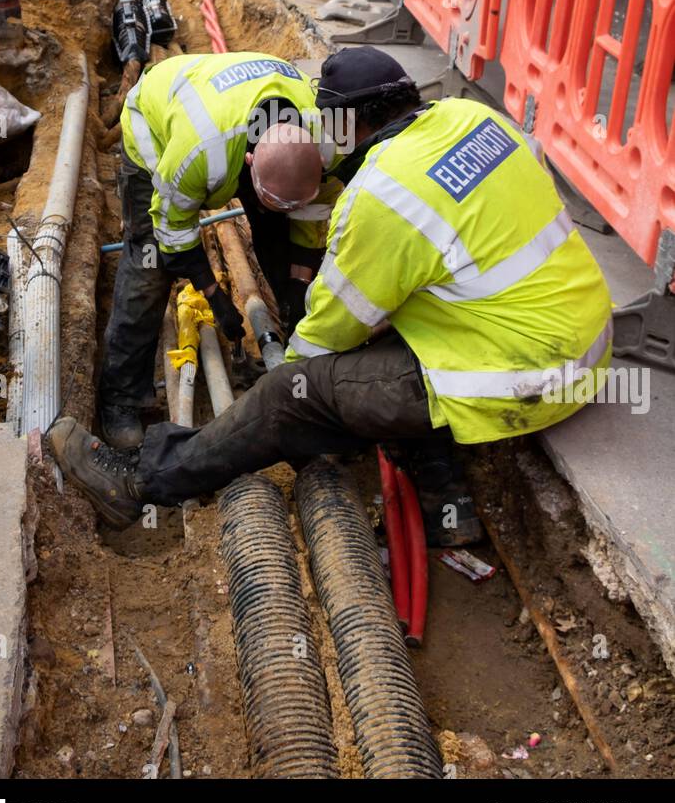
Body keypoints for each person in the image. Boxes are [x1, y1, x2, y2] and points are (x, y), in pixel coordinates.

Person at [50, 45, 614, 537]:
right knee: (380, 347)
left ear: (350, 124)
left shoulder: (383, 194)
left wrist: (280, 375)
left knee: (296, 391)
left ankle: (142, 481)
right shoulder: (474, 116)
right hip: (586, 347)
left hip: (518, 375)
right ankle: (448, 505)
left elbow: (327, 337)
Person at [90, 50, 342, 451]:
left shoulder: (325, 139)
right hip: (155, 124)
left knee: (282, 242)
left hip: (241, 114)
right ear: (247, 165)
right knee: (150, 268)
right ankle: (122, 396)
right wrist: (215, 296)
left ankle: (295, 355)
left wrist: (298, 287)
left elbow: (311, 220)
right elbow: (174, 236)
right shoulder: (196, 155)